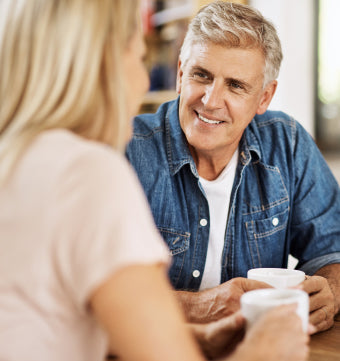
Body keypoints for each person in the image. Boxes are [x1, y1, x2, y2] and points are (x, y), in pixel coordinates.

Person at [0, 0, 311, 361]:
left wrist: (200, 339)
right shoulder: (88, 173)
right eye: (137, 54)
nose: (144, 77)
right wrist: (266, 349)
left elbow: (60, 322)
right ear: (103, 64)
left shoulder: (19, 159)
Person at [126, 0, 340, 334]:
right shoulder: (126, 150)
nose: (211, 101)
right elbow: (83, 287)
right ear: (181, 75)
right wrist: (199, 307)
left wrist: (331, 290)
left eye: (236, 85)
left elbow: (332, 251)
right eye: (202, 75)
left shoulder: (288, 144)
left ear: (264, 98)